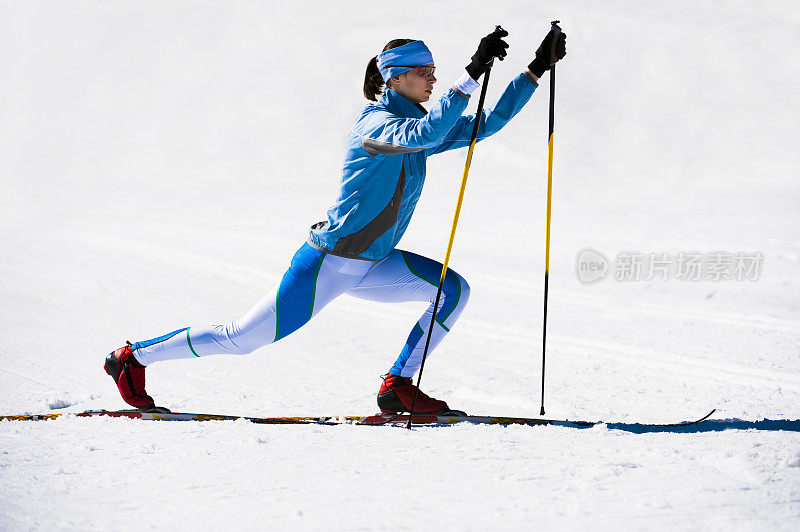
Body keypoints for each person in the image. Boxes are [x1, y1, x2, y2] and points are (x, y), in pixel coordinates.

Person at [104, 26, 567, 414]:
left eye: (434, 73)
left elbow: (484, 125)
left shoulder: (418, 128)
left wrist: (534, 70)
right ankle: (132, 357)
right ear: (395, 78)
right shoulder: (377, 127)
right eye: (423, 73)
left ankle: (397, 387)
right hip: (328, 263)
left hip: (374, 263)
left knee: (453, 291)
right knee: (241, 339)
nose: (431, 80)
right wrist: (468, 78)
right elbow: (426, 131)